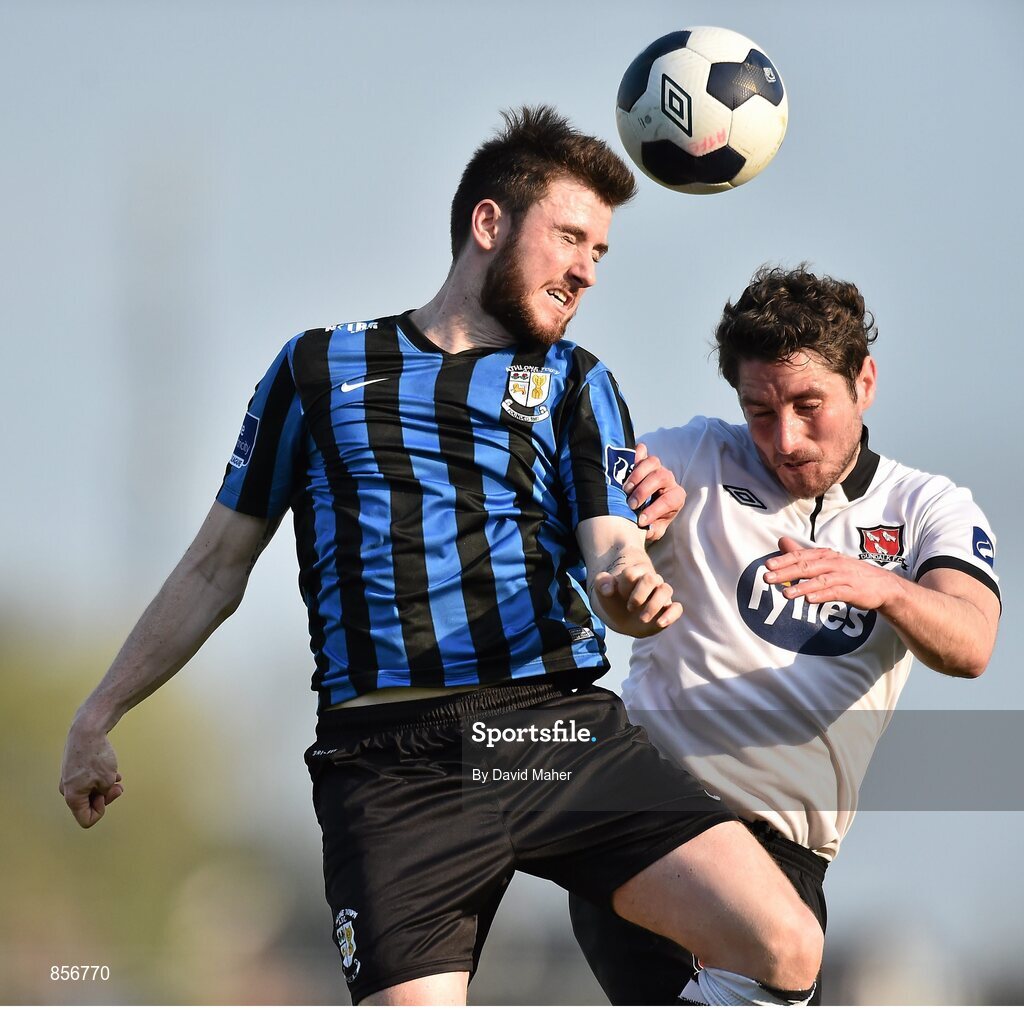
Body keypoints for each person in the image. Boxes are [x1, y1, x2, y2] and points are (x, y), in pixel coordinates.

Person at [59, 109, 824, 1007]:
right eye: (570, 237)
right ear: (489, 224)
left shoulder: (578, 382)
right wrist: (98, 712)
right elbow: (214, 567)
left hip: (541, 732)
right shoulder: (316, 370)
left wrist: (629, 591)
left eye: (601, 253)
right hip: (388, 770)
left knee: (784, 945)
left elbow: (612, 548)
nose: (585, 269)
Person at [569, 264, 1001, 1004]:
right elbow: (605, 530)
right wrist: (632, 526)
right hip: (655, 815)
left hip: (788, 863)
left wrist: (886, 588)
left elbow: (972, 643)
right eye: (760, 411)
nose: (785, 438)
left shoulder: (928, 507)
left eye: (809, 405)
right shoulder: (695, 457)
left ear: (864, 381)